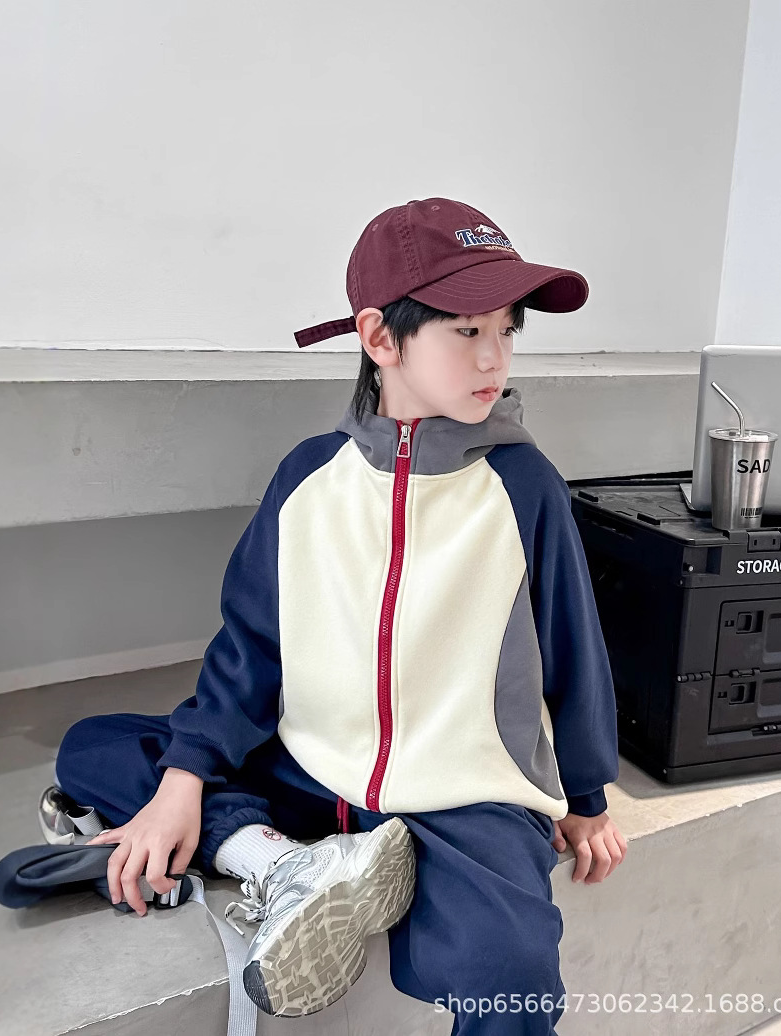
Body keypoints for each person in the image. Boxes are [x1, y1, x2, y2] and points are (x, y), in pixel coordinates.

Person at [53, 196, 627, 1034]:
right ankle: (283, 863)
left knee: (512, 976)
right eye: (467, 330)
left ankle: (263, 851)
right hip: (312, 771)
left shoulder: (522, 485)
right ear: (380, 338)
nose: (494, 356)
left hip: (462, 798)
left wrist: (584, 794)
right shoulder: (307, 479)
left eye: (507, 330)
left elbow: (575, 646)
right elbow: (251, 646)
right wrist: (184, 779)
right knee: (97, 748)